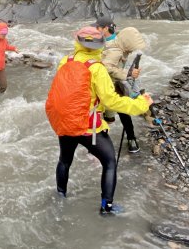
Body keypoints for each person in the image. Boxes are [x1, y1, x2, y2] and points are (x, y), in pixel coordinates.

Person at [45, 26, 153, 215]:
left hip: (66, 122)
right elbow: (111, 100)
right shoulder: (97, 69)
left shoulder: (65, 61)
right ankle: (106, 207)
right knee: (110, 162)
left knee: (64, 160)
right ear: (99, 46)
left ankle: (60, 196)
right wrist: (141, 105)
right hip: (88, 127)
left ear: (77, 42)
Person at [95, 17, 146, 154]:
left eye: (98, 28)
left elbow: (107, 66)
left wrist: (127, 74)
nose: (96, 30)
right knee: (120, 112)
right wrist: (127, 74)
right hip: (111, 84)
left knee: (112, 113)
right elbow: (108, 66)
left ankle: (108, 142)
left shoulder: (114, 46)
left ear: (105, 28)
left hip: (111, 83)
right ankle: (130, 139)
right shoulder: (115, 45)